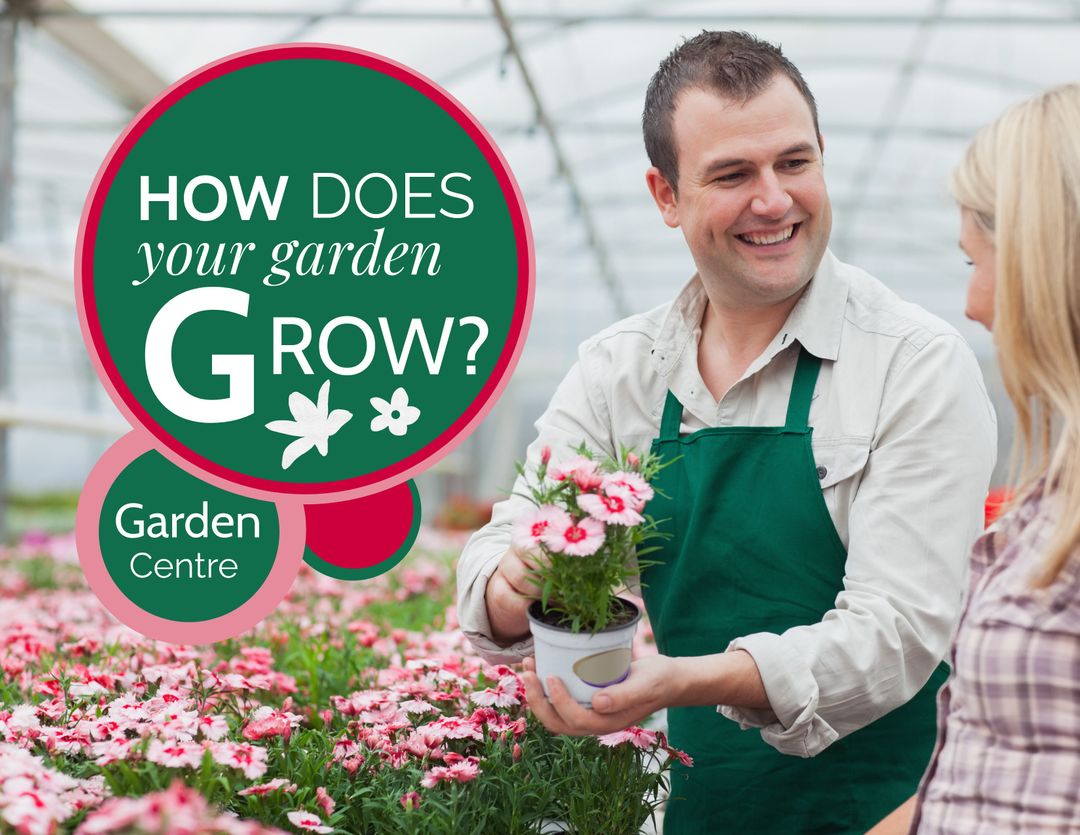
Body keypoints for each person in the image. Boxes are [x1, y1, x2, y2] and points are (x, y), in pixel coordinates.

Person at [457, 31, 997, 834]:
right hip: (697, 806)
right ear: (666, 195)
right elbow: (490, 565)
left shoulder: (912, 363)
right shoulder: (621, 371)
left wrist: (681, 682)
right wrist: (518, 578)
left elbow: (896, 635)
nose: (774, 199)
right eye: (733, 174)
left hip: (882, 806)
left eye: (794, 162)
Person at [869, 83, 1080, 835]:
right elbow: (983, 776)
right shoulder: (1054, 496)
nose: (973, 304)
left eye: (974, 262)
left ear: (1042, 261)